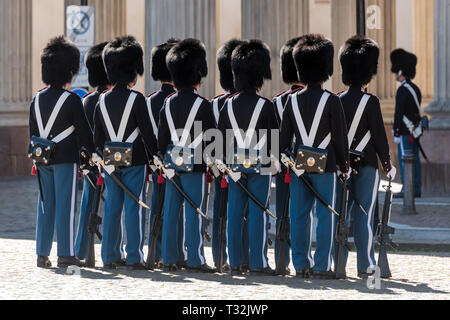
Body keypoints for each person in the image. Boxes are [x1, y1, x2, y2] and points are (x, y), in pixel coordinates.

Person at [280, 34, 349, 279]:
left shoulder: (292, 101)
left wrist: (287, 159)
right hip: (327, 164)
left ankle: (300, 263)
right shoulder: (331, 100)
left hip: (300, 164)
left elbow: (284, 138)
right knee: (325, 215)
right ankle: (321, 265)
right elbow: (340, 138)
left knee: (299, 215)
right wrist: (344, 164)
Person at [29, 36, 95, 268]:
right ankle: (66, 253)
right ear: (69, 71)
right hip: (66, 158)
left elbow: (34, 132)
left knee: (45, 204)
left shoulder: (36, 99)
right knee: (65, 205)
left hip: (42, 158)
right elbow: (85, 133)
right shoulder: (71, 99)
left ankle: (41, 252)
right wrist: (91, 152)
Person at [93, 36, 157, 270]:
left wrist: (102, 155)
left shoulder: (102, 100)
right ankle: (133, 256)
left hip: (110, 159)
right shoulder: (137, 99)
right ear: (132, 70)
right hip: (136, 159)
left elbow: (97, 137)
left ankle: (109, 255)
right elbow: (148, 134)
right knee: (133, 207)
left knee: (111, 208)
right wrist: (155, 155)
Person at [338, 35, 396, 278]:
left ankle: (337, 262)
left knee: (341, 215)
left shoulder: (337, 99)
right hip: (368, 165)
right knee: (364, 215)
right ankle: (365, 264)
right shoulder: (370, 101)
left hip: (343, 165)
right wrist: (387, 164)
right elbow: (380, 137)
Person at [218, 40, 278, 276]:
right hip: (260, 165)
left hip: (234, 163)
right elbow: (274, 139)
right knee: (257, 212)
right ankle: (257, 262)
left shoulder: (228, 105)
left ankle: (235, 261)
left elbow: (220, 138)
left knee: (235, 213)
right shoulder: (265, 105)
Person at [158, 38, 216, 272]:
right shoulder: (203, 104)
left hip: (173, 162)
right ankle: (195, 259)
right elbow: (212, 138)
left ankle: (169, 256)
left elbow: (162, 138)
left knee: (172, 211)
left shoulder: (168, 103)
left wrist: (166, 158)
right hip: (196, 165)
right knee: (195, 212)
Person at [74, 42, 123, 264]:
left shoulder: (87, 100)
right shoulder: (113, 99)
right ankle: (113, 252)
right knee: (114, 205)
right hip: (113, 158)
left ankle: (81, 249)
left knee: (87, 205)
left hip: (91, 161)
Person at [146, 38, 187, 269]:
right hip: (179, 160)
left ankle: (156, 249)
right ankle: (175, 252)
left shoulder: (149, 100)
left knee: (157, 206)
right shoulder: (177, 99)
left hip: (156, 163)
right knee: (176, 209)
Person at [211, 39, 250, 272]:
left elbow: (209, 137)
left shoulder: (214, 104)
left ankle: (219, 257)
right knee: (243, 214)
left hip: (221, 167)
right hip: (244, 164)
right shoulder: (250, 103)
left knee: (220, 213)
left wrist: (217, 168)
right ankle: (242, 256)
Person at [272, 36, 306, 276]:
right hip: (305, 163)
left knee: (282, 213)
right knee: (304, 215)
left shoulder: (277, 101)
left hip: (283, 165)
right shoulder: (313, 98)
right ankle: (303, 260)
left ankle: (281, 260)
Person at [390, 48, 422, 198]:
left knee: (405, 161)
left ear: (401, 71)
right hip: (414, 130)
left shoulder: (403, 90)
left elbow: (399, 112)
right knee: (415, 159)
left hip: (404, 131)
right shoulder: (415, 89)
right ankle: (416, 188)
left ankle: (407, 189)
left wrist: (396, 130)